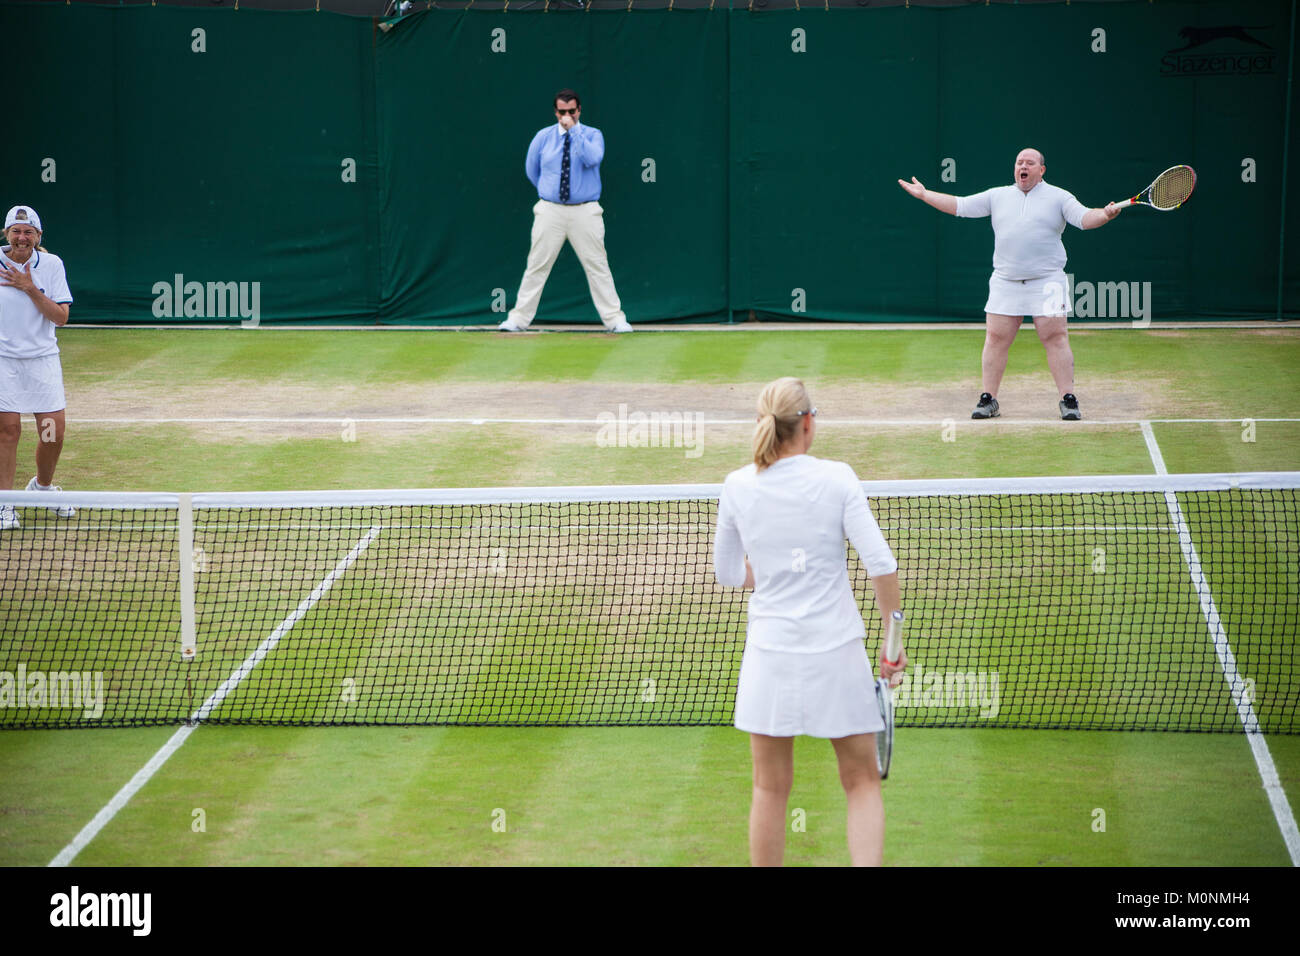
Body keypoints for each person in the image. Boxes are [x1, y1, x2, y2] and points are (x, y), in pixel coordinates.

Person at [713, 377, 905, 866]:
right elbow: (881, 564)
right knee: (861, 782)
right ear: (808, 424)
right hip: (836, 653)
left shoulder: (737, 486)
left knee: (769, 788)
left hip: (769, 658)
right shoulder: (838, 477)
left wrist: (774, 569)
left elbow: (729, 574)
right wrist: (893, 642)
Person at [898, 148, 1121, 421]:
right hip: (1006, 280)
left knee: (1055, 338)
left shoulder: (1059, 197)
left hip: (1048, 280)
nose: (1022, 166)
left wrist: (1105, 214)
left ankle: (1068, 399)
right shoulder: (998, 196)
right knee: (995, 339)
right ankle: (989, 399)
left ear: (1042, 170)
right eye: (1019, 162)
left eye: (1029, 163)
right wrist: (924, 194)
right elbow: (960, 205)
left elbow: (1085, 219)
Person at [499, 89, 632, 334]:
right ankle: (518, 319)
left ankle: (615, 319)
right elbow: (532, 169)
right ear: (555, 112)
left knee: (597, 265)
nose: (567, 116)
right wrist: (547, 191)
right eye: (562, 112)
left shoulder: (593, 135)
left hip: (585, 210)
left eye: (572, 111)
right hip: (550, 210)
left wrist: (576, 132)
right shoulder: (543, 137)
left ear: (579, 111)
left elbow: (592, 159)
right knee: (537, 265)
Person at [0, 205, 75, 531]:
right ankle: (4, 503)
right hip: (3, 361)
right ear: (6, 234)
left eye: (28, 231)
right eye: (16, 231)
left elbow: (60, 317)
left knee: (52, 432)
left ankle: (42, 489)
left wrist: (29, 287)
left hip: (43, 361)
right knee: (8, 431)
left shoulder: (52, 264)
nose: (22, 237)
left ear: (38, 236)